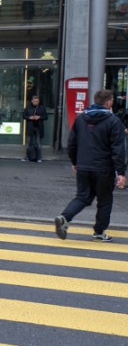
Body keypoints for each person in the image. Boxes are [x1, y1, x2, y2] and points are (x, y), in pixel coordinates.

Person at [54, 89, 126, 243]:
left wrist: (75, 162)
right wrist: (121, 172)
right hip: (104, 168)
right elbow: (118, 149)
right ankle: (99, 232)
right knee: (105, 200)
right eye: (112, 100)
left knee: (83, 196)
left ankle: (64, 217)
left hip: (84, 166)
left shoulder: (81, 118)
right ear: (108, 102)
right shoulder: (113, 121)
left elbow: (71, 142)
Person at [22, 95, 48, 162]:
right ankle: (27, 157)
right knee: (28, 142)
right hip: (30, 127)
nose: (36, 102)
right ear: (32, 101)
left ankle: (39, 157)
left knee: (38, 142)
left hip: (38, 127)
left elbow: (46, 117)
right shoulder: (28, 107)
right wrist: (29, 117)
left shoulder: (42, 108)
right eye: (35, 101)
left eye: (37, 101)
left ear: (39, 101)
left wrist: (39, 117)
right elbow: (24, 116)